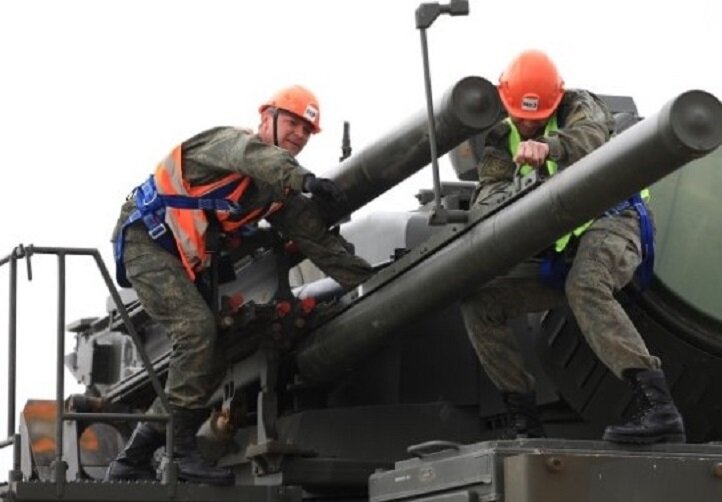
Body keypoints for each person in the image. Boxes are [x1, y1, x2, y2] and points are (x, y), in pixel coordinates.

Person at [105, 85, 374, 485]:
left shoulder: (276, 191)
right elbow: (258, 159)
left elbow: (318, 243)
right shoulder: (230, 144)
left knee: (213, 351)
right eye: (293, 123)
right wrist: (306, 180)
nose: (299, 134)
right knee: (197, 332)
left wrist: (372, 281)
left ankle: (134, 457)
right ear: (267, 118)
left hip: (182, 260)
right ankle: (179, 453)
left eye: (307, 130)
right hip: (146, 241)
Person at [460, 50, 685, 444]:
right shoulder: (500, 139)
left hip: (613, 219)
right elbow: (486, 199)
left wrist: (549, 146)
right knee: (482, 303)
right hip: (561, 246)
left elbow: (592, 137)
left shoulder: (579, 106)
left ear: (555, 100)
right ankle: (525, 420)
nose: (527, 124)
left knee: (586, 285)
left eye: (537, 116)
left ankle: (658, 407)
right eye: (519, 115)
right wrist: (516, 193)